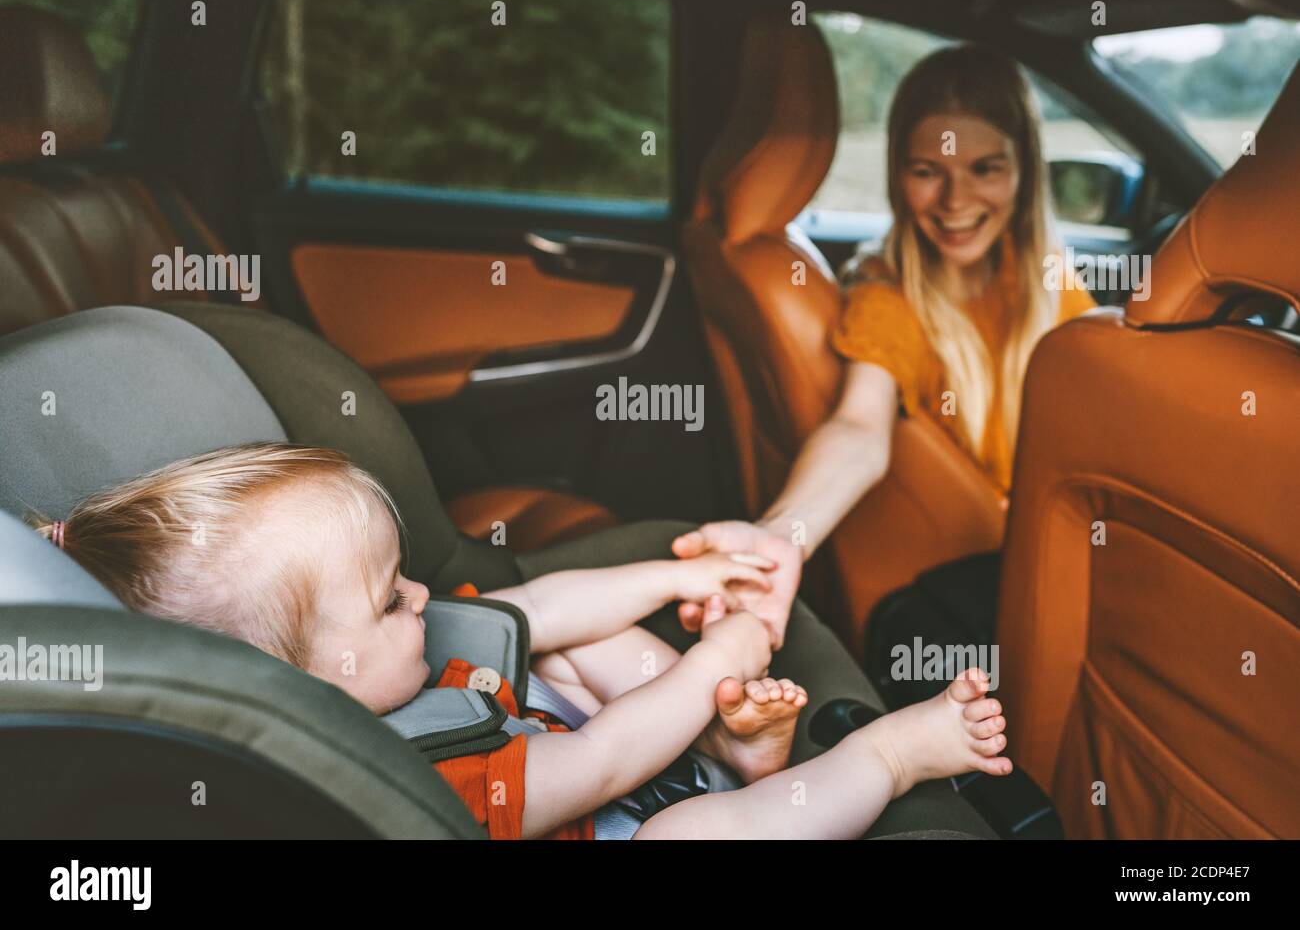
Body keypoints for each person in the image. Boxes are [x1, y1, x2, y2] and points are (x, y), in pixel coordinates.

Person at [32, 441, 1011, 839]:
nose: (417, 594)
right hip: (588, 801)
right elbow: (598, 762)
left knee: (550, 645)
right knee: (683, 838)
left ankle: (722, 743)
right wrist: (715, 656)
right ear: (311, 685)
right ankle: (882, 756)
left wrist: (682, 578)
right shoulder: (421, 778)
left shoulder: (395, 654)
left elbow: (545, 605)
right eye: (385, 602)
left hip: (554, 738)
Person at [674, 45, 1097, 631]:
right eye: (927, 172)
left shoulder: (1050, 283)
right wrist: (783, 536)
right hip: (1004, 572)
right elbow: (859, 426)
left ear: (1024, 170)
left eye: (985, 169)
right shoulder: (887, 300)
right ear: (898, 175)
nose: (955, 202)